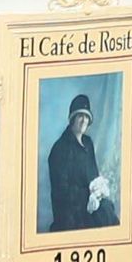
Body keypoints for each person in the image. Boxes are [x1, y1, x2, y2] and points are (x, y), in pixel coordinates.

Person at [43, 93, 114, 233]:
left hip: (90, 203)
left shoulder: (88, 143)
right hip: (69, 211)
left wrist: (98, 191)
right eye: (80, 116)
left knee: (108, 210)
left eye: (86, 116)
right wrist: (88, 195)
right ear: (72, 118)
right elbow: (61, 192)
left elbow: (94, 176)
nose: (83, 120)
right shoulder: (59, 149)